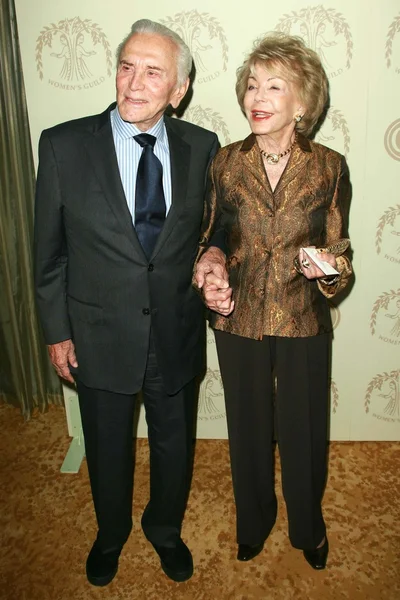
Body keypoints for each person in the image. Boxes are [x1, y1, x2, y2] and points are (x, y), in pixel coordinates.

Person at [34, 19, 220, 586]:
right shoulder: (64, 144)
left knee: (173, 445)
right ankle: (110, 534)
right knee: (109, 447)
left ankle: (164, 530)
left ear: (178, 90)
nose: (134, 83)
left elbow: (213, 229)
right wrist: (56, 330)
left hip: (174, 330)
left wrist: (215, 256)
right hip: (97, 332)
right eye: (126, 66)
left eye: (153, 72)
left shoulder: (202, 147)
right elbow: (48, 254)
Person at [195, 32, 352, 570]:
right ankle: (253, 521)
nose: (256, 96)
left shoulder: (330, 167)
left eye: (274, 86)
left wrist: (327, 269)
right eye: (252, 85)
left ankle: (308, 527)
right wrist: (210, 266)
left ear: (302, 104)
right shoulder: (225, 163)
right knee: (248, 426)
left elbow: (340, 250)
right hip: (237, 316)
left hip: (304, 316)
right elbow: (211, 236)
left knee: (306, 428)